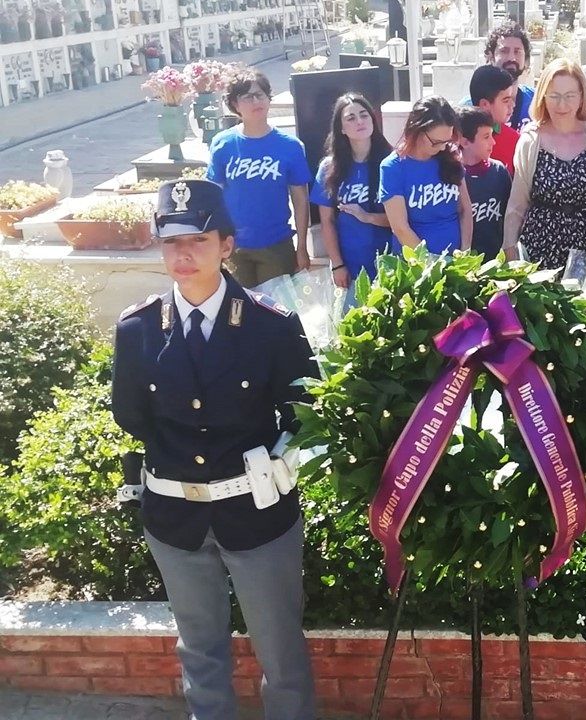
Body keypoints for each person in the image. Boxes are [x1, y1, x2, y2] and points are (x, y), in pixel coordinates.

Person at [111, 180, 318, 720]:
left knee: (281, 655)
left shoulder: (270, 324)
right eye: (171, 240)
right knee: (200, 651)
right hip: (175, 516)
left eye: (199, 239)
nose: (183, 254)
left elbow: (305, 413)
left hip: (256, 513)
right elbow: (131, 416)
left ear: (227, 245)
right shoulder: (136, 329)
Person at [503, 58, 586, 269]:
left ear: (581, 97)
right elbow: (517, 205)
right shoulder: (530, 141)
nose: (562, 105)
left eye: (570, 96)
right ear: (543, 97)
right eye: (554, 96)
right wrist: (510, 254)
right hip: (539, 251)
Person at [207, 66, 312, 288]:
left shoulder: (290, 147)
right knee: (237, 314)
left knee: (273, 313)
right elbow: (212, 197)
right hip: (233, 246)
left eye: (260, 95)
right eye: (247, 97)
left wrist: (302, 247)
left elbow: (300, 200)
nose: (256, 101)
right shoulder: (223, 144)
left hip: (276, 245)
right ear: (235, 104)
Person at [312, 93, 392, 309]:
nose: (359, 121)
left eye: (364, 115)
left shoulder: (391, 162)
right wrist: (337, 264)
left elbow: (401, 220)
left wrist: (367, 217)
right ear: (341, 128)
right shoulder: (329, 169)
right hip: (351, 267)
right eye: (350, 118)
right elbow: (326, 222)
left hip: (389, 265)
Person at [379, 96, 473, 254]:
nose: (443, 148)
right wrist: (431, 263)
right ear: (417, 131)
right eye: (436, 142)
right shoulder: (393, 167)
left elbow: (465, 209)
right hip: (417, 266)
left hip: (456, 260)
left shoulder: (450, 157)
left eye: (447, 141)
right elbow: (400, 227)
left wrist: (465, 251)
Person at [459, 106, 511, 258]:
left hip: (494, 262)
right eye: (486, 137)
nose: (493, 142)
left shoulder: (499, 172)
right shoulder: (452, 177)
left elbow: (510, 216)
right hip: (464, 262)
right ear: (465, 142)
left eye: (492, 135)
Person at [481, 21, 536, 130]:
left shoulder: (537, 101)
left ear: (526, 59)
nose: (512, 58)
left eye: (517, 51)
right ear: (491, 57)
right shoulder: (473, 105)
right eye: (504, 51)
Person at [469, 64, 520, 174]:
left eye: (512, 99)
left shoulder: (515, 140)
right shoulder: (458, 139)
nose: (513, 105)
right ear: (485, 104)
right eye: (506, 100)